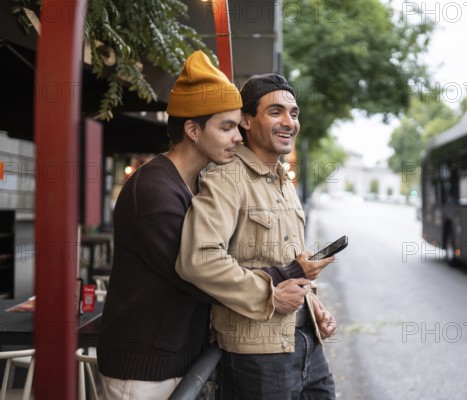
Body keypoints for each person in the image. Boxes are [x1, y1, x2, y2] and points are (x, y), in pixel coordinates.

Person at [96, 52, 319, 400]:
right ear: (193, 129)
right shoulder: (154, 190)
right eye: (226, 127)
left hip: (181, 357)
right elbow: (195, 275)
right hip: (144, 368)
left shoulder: (193, 183)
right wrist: (286, 274)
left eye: (236, 126)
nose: (237, 137)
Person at [176, 73, 337, 399]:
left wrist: (313, 304)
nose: (289, 122)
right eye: (275, 112)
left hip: (307, 342)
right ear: (246, 121)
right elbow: (198, 260)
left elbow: (288, 264)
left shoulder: (284, 183)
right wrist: (269, 295)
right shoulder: (226, 180)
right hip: (256, 353)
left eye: (294, 113)